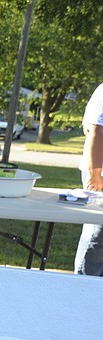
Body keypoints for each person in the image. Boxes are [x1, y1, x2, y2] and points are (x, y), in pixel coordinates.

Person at [74, 82, 103, 276]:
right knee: (97, 234)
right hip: (100, 175)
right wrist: (95, 176)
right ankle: (83, 286)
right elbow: (96, 131)